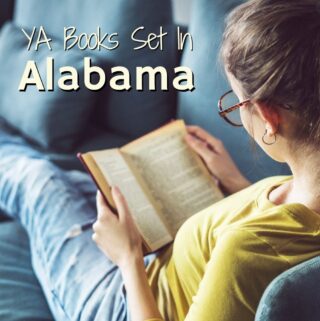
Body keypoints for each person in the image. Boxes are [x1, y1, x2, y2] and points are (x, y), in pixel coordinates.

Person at [0, 0, 320, 320]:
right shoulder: (304, 188)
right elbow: (278, 228)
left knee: (37, 177)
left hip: (123, 302)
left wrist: (128, 258)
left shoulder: (244, 254)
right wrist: (235, 181)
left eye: (236, 105)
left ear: (268, 117)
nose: (238, 113)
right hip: (160, 273)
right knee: (82, 184)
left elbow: (260, 247)